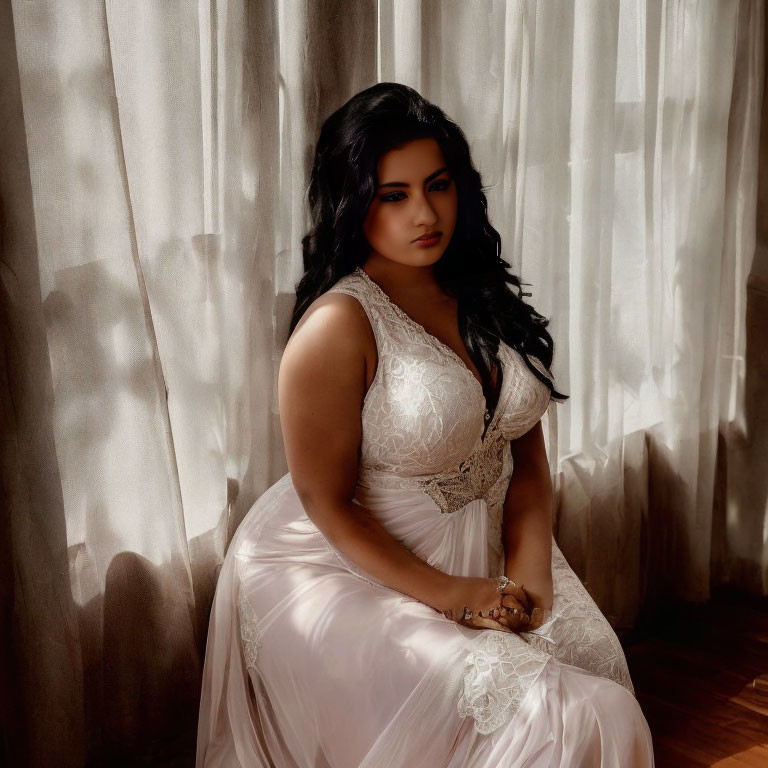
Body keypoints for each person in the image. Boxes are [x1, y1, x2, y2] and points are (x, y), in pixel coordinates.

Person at [196, 82, 655, 767]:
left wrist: (529, 573)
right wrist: (459, 596)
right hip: (343, 566)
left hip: (486, 552)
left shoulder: (479, 290)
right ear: (354, 203)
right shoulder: (336, 327)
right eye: (394, 195)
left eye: (438, 186)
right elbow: (324, 501)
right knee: (566, 717)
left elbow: (521, 452)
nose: (425, 213)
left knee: (601, 697)